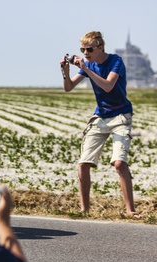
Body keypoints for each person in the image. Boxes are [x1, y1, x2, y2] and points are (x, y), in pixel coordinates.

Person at [60, 31, 142, 218]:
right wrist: (66, 72)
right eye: (83, 49)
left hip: (121, 115)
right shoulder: (88, 64)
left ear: (100, 48)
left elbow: (108, 86)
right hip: (101, 117)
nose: (85, 53)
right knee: (83, 164)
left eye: (89, 49)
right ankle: (84, 210)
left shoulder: (116, 61)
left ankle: (130, 210)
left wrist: (86, 69)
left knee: (119, 164)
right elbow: (68, 87)